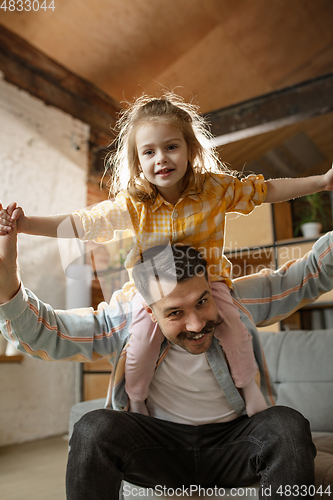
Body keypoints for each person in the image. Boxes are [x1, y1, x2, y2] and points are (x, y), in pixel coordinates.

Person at [1, 94, 333, 418]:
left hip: (210, 282)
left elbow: (266, 191)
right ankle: (136, 400)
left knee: (235, 328)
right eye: (149, 152)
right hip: (151, 293)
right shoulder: (135, 203)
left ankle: (249, 391)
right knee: (140, 344)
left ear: (190, 150)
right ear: (138, 161)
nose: (161, 158)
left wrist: (321, 181)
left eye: (171, 147)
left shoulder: (215, 189)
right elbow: (84, 224)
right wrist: (27, 225)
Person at [1, 224, 333, 499]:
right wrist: (6, 287)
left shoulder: (233, 302)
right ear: (150, 311)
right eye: (175, 312)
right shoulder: (126, 321)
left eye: (201, 301)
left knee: (286, 426)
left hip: (235, 444)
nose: (196, 324)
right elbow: (50, 334)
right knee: (93, 427)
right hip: (158, 450)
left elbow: (309, 274)